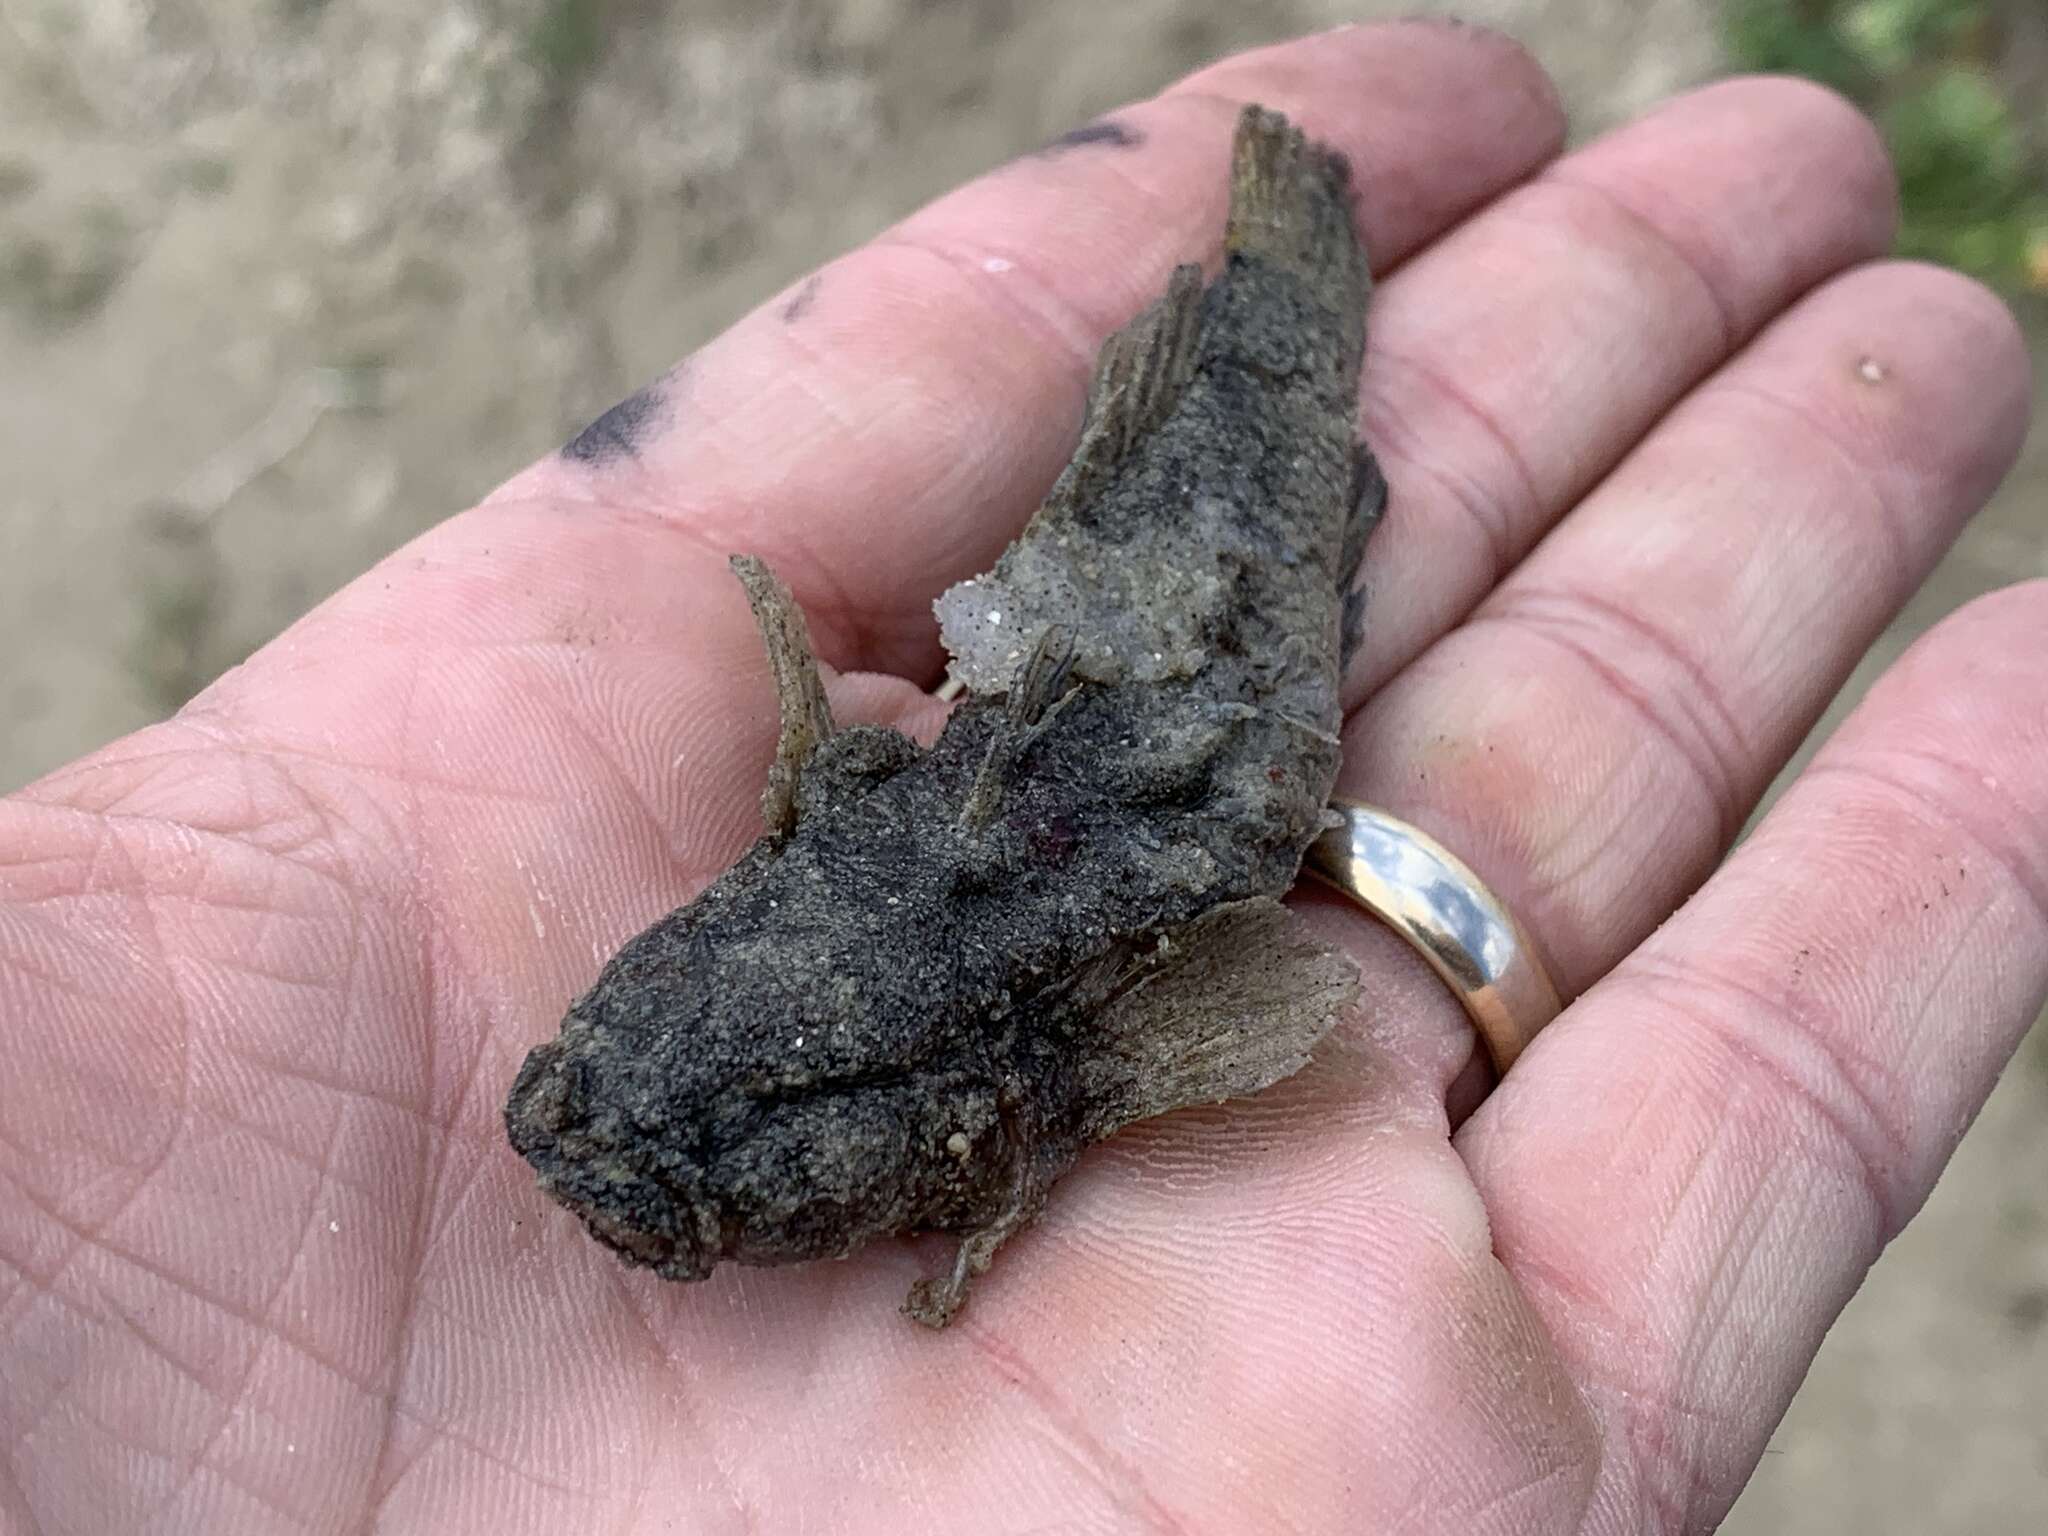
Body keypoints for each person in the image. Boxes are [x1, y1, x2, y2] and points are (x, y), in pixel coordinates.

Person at [1, 22, 2040, 1534]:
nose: (613, 1141)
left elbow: (1227, 1013)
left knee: (1279, 373)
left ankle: (1292, 241)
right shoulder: (866, 976)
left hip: (1159, 737)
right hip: (1131, 749)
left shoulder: (1005, 947)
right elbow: (1177, 1015)